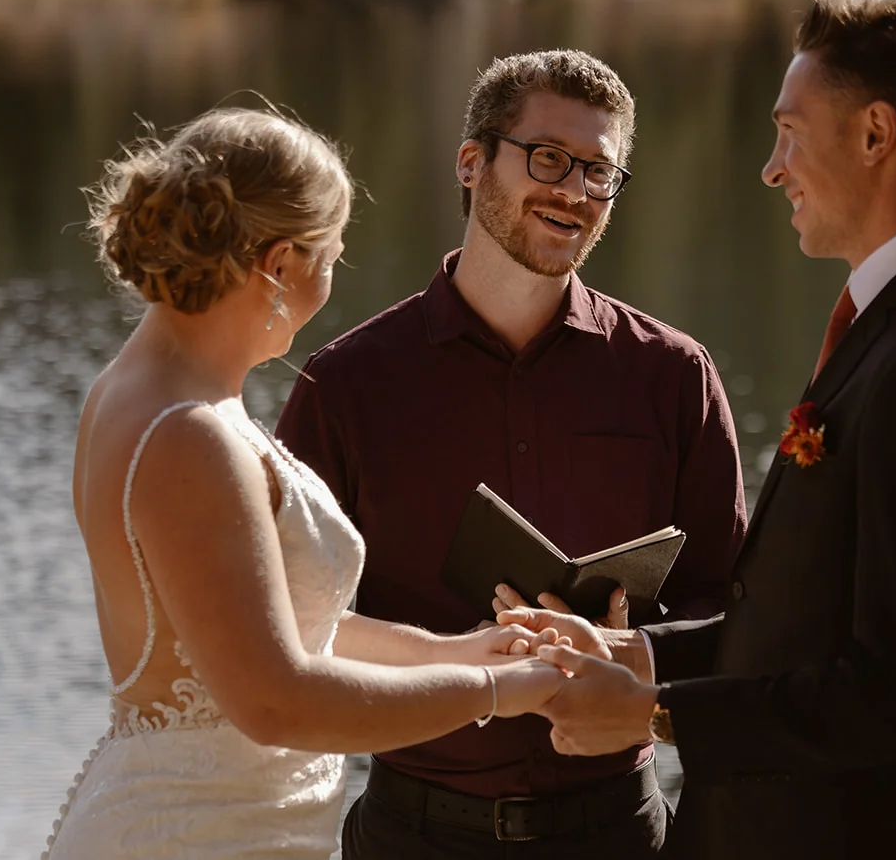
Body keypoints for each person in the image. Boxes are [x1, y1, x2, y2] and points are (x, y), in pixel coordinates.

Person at [501, 0, 896, 860]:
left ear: (876, 135)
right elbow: (805, 627)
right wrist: (633, 653)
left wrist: (650, 715)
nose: (771, 166)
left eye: (790, 131)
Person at [40, 107, 568, 860]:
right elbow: (274, 700)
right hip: (196, 836)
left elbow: (265, 621)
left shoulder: (152, 387)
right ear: (282, 263)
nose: (328, 283)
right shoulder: (188, 431)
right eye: (333, 257)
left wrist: (454, 652)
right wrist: (499, 694)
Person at [274, 49, 747, 858]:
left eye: (600, 172)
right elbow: (288, 621)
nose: (574, 191)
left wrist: (630, 647)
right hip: (412, 832)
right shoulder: (346, 384)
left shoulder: (674, 377)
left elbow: (737, 616)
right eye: (549, 158)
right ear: (472, 161)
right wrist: (454, 669)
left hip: (618, 832)